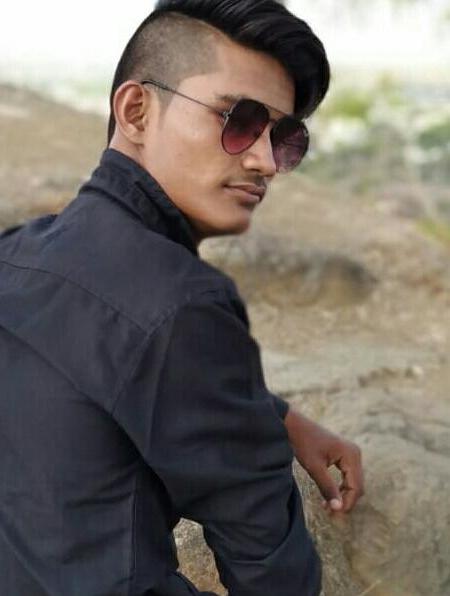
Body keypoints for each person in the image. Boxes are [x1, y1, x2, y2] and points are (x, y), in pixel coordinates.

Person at [0, 1, 364, 595]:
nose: (265, 161)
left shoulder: (17, 254)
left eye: (284, 137)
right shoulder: (183, 304)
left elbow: (103, 353)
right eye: (238, 119)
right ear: (137, 110)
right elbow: (270, 568)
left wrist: (276, 416)